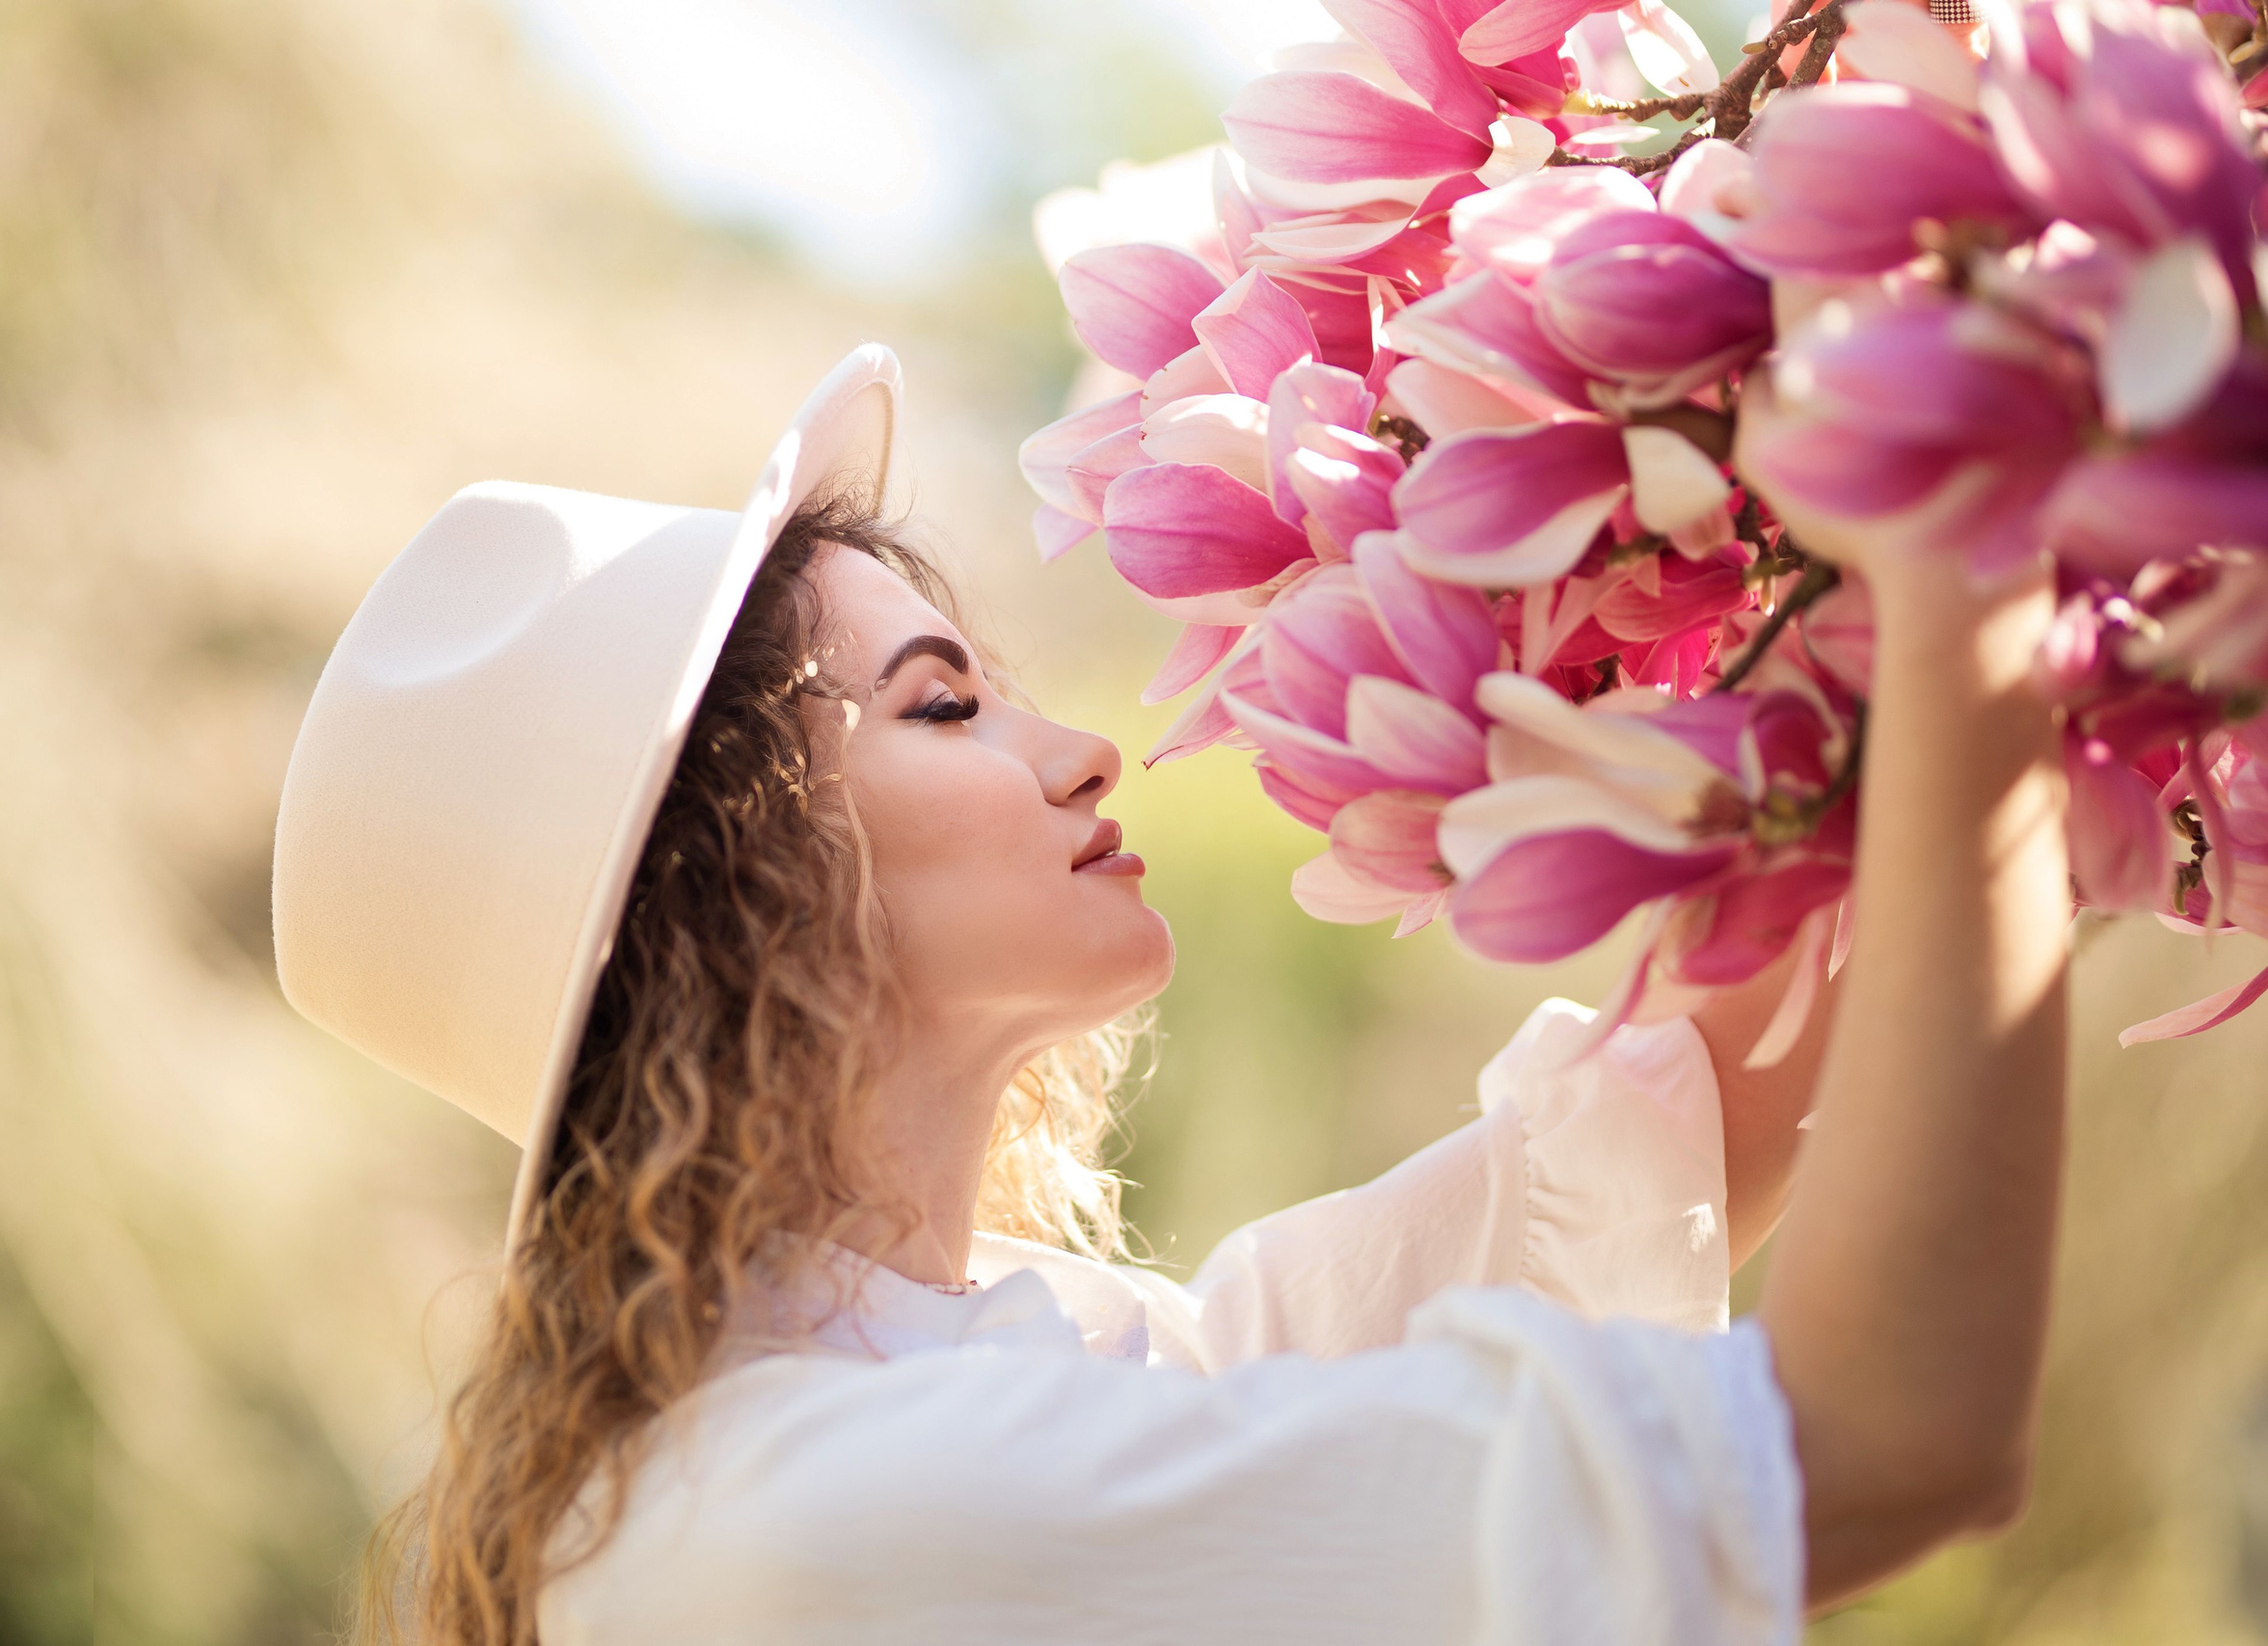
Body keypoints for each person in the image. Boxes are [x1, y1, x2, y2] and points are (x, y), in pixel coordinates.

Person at [273, 346, 2070, 1644]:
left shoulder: (1054, 1368)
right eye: (946, 706)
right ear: (732, 879)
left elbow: (1699, 1112)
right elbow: (1878, 1435)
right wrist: (1972, 569)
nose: (1086, 752)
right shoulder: (829, 1513)